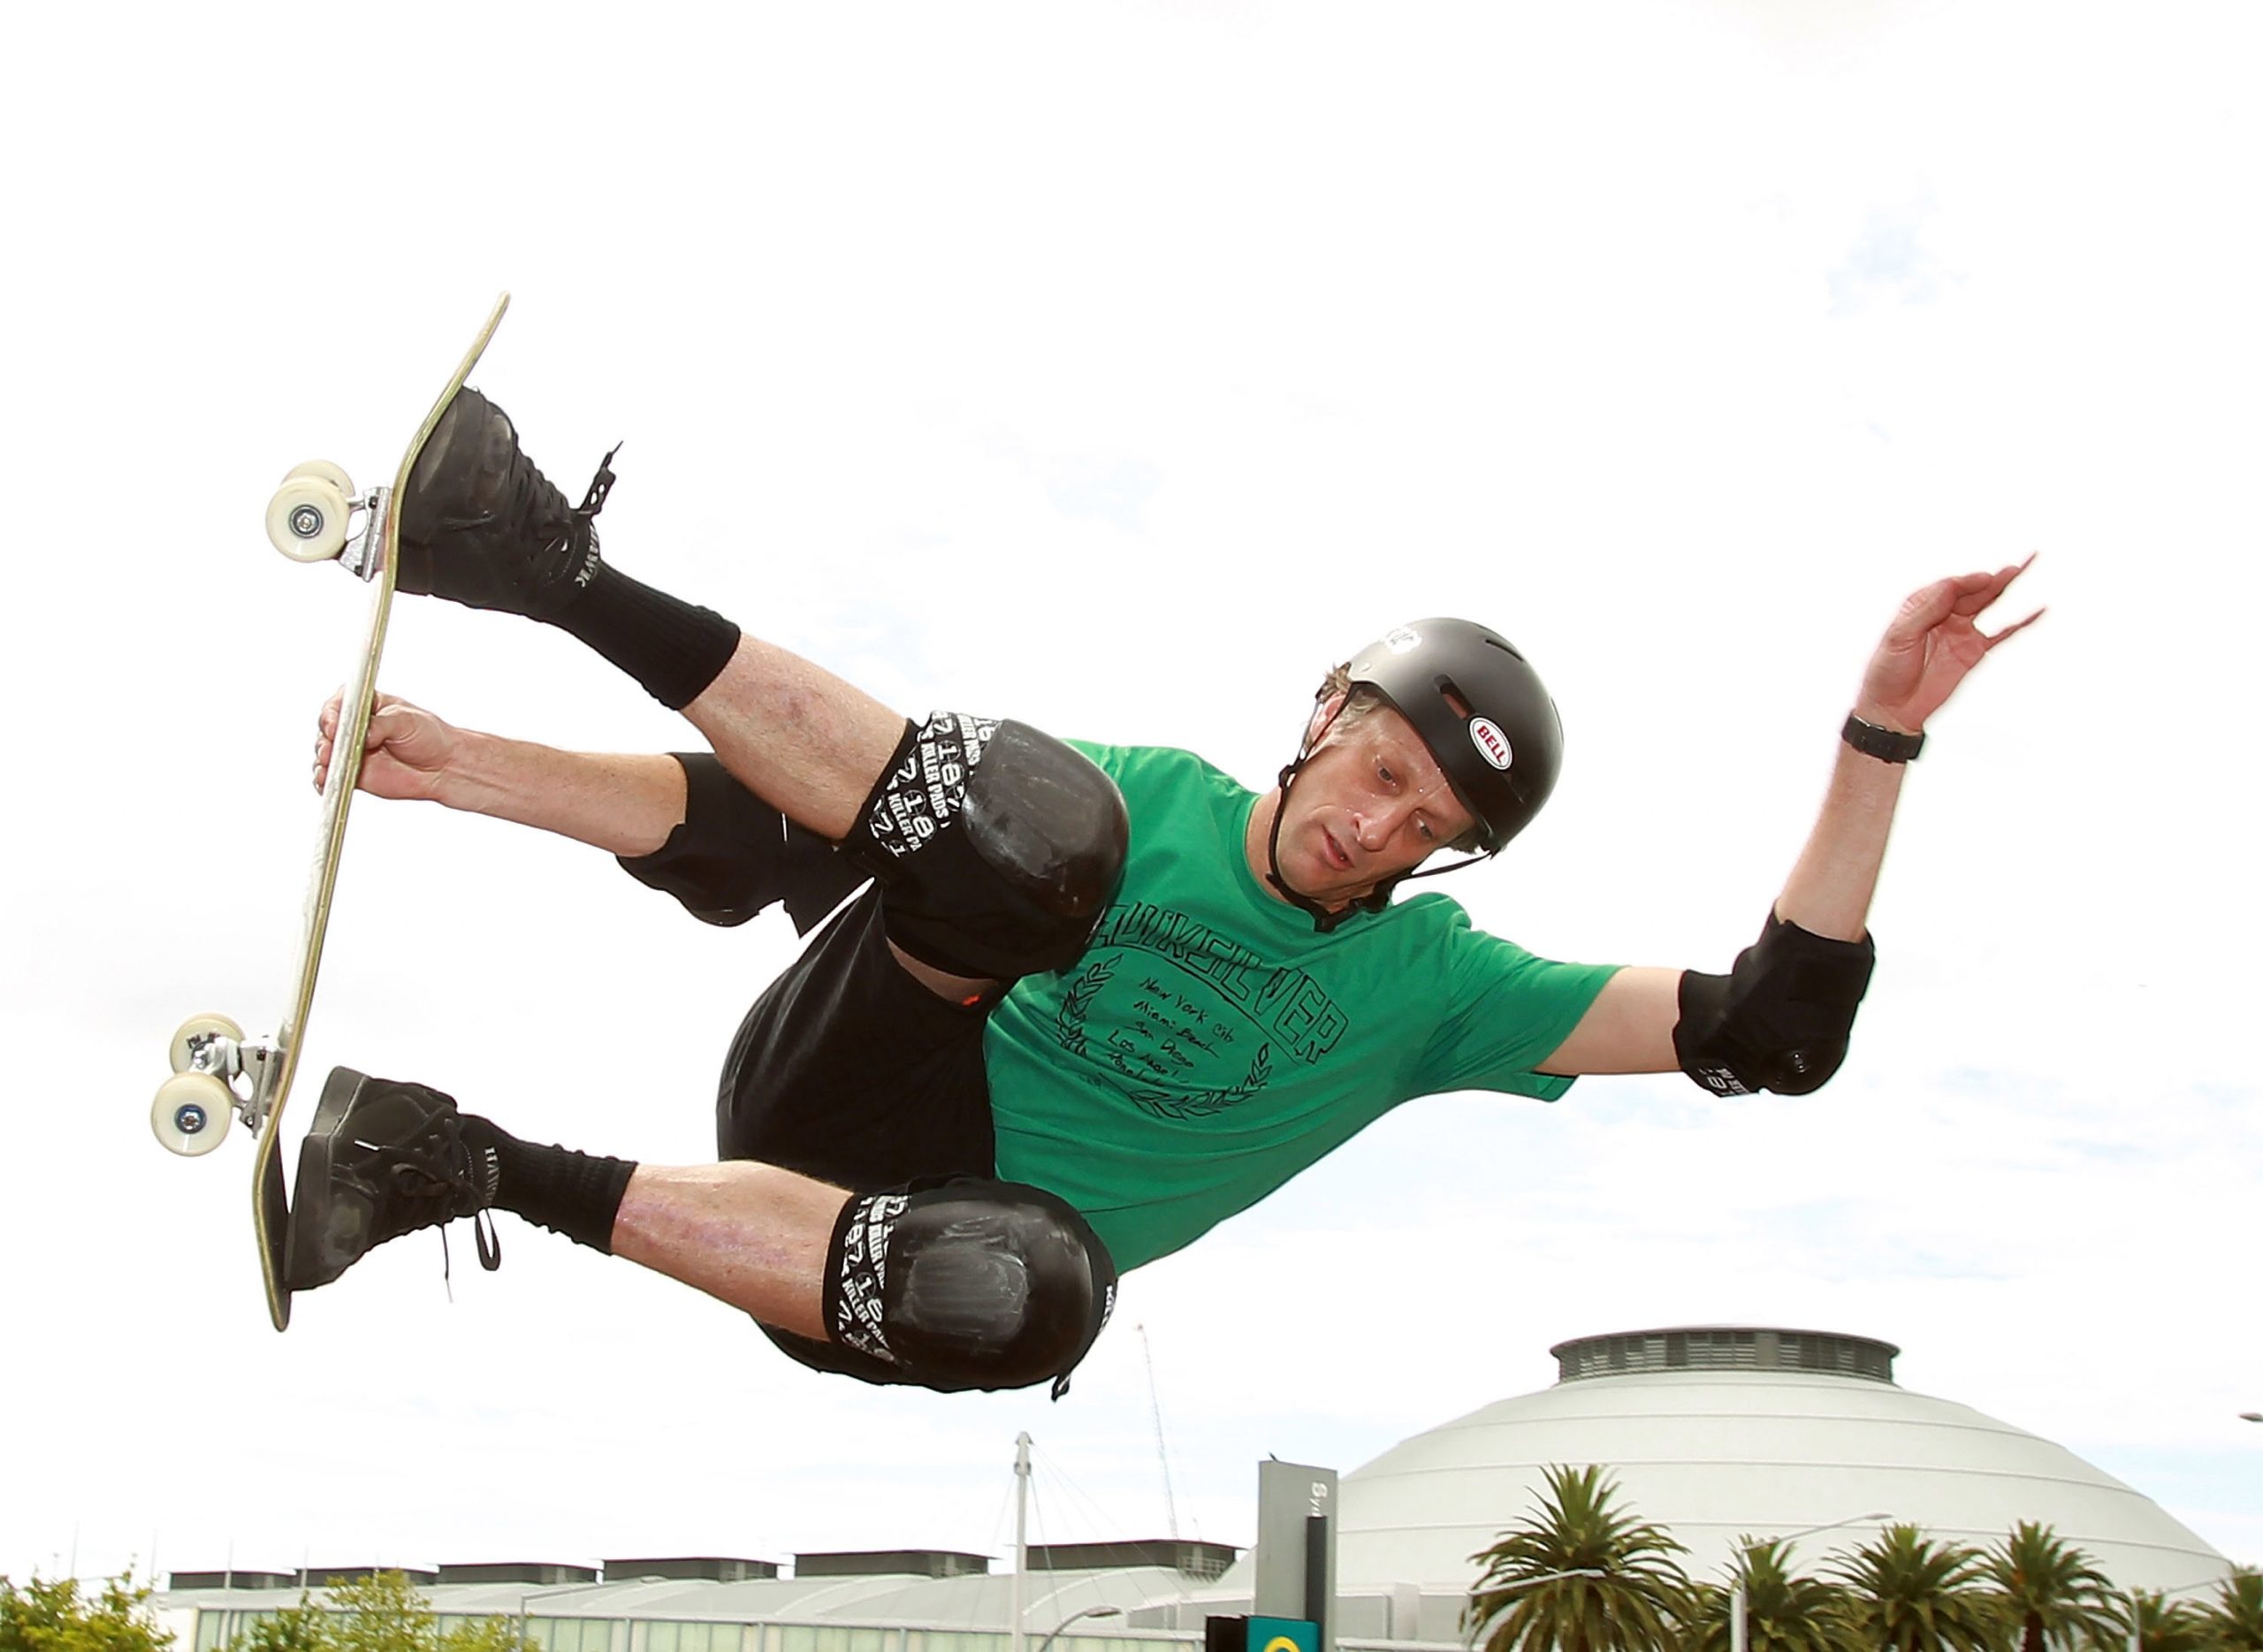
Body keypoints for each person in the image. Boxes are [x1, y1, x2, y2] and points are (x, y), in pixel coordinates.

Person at [285, 387, 2038, 1397]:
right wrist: (483, 769)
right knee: (1036, 827)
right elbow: (781, 825)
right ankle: (537, 560)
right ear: (1320, 716)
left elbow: (1774, 1032)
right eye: (1373, 767)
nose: (1375, 824)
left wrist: (1876, 731)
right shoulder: (1160, 806)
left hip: (909, 1274)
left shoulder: (1443, 988)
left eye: (1420, 821)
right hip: (846, 1078)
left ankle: (443, 1160)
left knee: (1051, 1285)